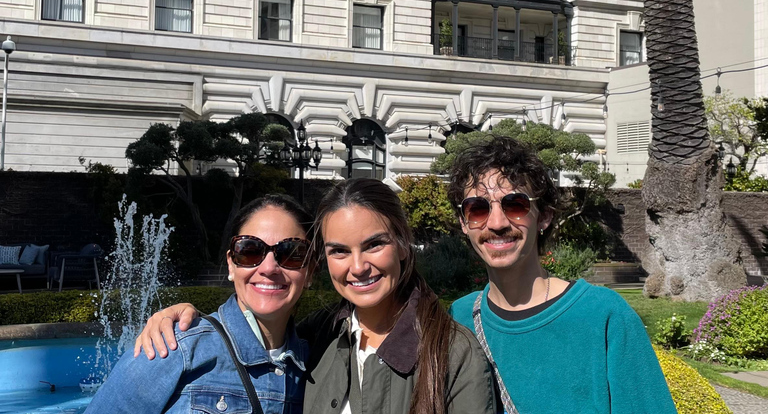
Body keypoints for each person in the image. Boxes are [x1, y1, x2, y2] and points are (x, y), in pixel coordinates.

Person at [135, 178, 496, 414]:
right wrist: (189, 316)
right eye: (339, 251)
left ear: (402, 245)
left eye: (374, 245)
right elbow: (255, 330)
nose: (357, 267)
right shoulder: (314, 340)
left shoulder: (452, 352)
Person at [446, 136, 676, 414]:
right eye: (478, 209)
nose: (496, 223)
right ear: (463, 222)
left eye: (515, 205)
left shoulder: (604, 316)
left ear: (544, 216)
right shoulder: (459, 318)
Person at [87, 195, 314, 414]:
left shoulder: (318, 363)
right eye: (250, 250)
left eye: (290, 253)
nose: (268, 268)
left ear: (310, 271)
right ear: (231, 265)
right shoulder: (174, 347)